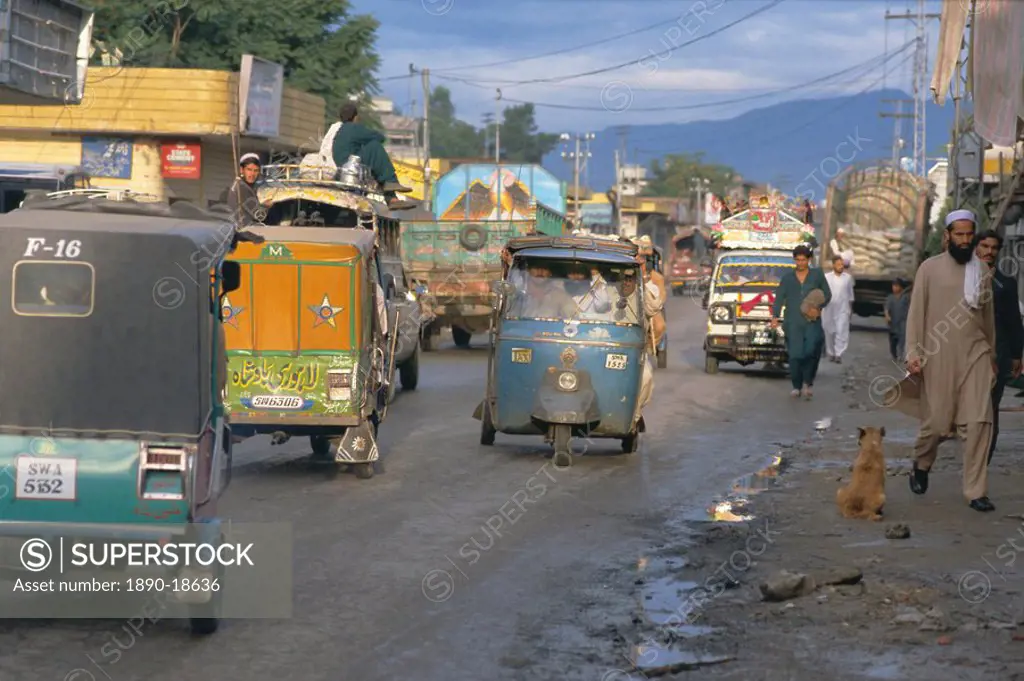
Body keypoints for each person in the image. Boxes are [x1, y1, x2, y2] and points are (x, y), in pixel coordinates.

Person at [897, 209, 997, 512]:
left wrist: (992, 355)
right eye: (959, 234)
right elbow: (916, 314)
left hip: (976, 354)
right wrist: (913, 353)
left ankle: (975, 491)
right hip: (937, 355)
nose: (965, 240)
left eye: (969, 235)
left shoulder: (981, 271)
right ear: (947, 236)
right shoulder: (929, 269)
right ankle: (922, 463)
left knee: (979, 422)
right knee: (939, 424)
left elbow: (987, 319)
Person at [974, 230, 1023, 462]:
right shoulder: (963, 280)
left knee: (991, 408)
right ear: (976, 248)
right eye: (984, 246)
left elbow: (1014, 320)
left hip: (998, 355)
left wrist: (1016, 354)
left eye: (993, 248)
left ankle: (983, 460)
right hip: (966, 355)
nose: (988, 251)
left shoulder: (1006, 284)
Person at [770, 245, 831, 399]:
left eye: (803, 260)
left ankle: (808, 382)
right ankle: (796, 386)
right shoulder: (787, 278)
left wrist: (819, 307)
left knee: (810, 351)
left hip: (812, 321)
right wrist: (775, 316)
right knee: (795, 355)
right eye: (797, 260)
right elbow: (779, 298)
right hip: (792, 322)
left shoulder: (817, 275)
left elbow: (827, 294)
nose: (800, 263)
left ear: (809, 260)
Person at [331, 103, 414, 208]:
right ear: (355, 117)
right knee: (375, 147)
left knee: (375, 162)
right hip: (351, 165)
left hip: (344, 165)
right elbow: (380, 137)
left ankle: (392, 199)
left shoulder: (340, 130)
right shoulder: (354, 128)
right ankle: (391, 182)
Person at [220, 153, 272, 227]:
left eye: (256, 170)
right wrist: (267, 205)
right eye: (249, 169)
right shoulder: (242, 187)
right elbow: (259, 216)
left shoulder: (239, 184)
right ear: (242, 170)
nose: (252, 174)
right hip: (243, 232)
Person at [822, 255, 855, 363]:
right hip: (829, 309)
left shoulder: (848, 278)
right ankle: (830, 352)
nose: (841, 267)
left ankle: (838, 354)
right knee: (829, 331)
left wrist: (850, 309)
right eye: (839, 264)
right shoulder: (827, 277)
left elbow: (850, 295)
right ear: (833, 265)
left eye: (842, 265)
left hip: (843, 309)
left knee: (841, 330)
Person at [884, 277, 911, 362]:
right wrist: (887, 316)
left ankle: (900, 354)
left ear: (901, 287)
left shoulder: (906, 297)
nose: (894, 288)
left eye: (896, 286)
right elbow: (886, 308)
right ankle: (894, 354)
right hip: (893, 322)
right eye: (893, 286)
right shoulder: (890, 297)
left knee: (902, 338)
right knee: (893, 341)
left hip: (903, 320)